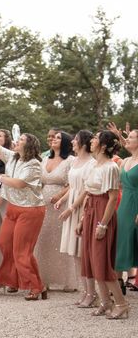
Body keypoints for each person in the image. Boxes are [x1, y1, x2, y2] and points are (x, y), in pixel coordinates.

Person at [0, 113, 47, 301]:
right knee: (4, 243)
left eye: (21, 139)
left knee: (22, 252)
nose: (17, 141)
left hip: (31, 211)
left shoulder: (35, 164)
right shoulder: (12, 157)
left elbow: (20, 183)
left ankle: (36, 287)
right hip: (14, 208)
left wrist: (0, 178)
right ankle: (16, 280)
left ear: (28, 145)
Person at [76, 130, 129, 319]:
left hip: (102, 213)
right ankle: (106, 302)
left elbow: (113, 198)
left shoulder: (110, 167)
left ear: (104, 145)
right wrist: (83, 220)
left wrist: (103, 225)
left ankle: (121, 303)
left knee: (102, 261)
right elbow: (89, 193)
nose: (92, 141)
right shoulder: (94, 166)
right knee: (91, 260)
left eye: (96, 139)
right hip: (91, 211)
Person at [55, 130, 96, 306]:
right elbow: (72, 186)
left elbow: (87, 189)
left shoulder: (92, 163)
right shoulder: (75, 161)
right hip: (72, 202)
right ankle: (85, 291)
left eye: (75, 140)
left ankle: (93, 293)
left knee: (84, 253)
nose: (72, 142)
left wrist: (72, 208)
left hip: (83, 206)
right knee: (75, 253)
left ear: (83, 143)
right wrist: (61, 200)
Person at [36, 131, 77, 291]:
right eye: (53, 137)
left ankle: (68, 280)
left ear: (66, 141)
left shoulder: (70, 160)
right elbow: (39, 182)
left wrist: (59, 196)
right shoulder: (45, 159)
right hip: (43, 202)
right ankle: (44, 278)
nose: (53, 139)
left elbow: (72, 184)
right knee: (44, 239)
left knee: (61, 240)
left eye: (58, 137)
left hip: (63, 203)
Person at [109, 125, 138, 297]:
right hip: (124, 204)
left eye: (132, 137)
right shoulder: (126, 161)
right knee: (121, 240)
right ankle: (119, 281)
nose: (127, 140)